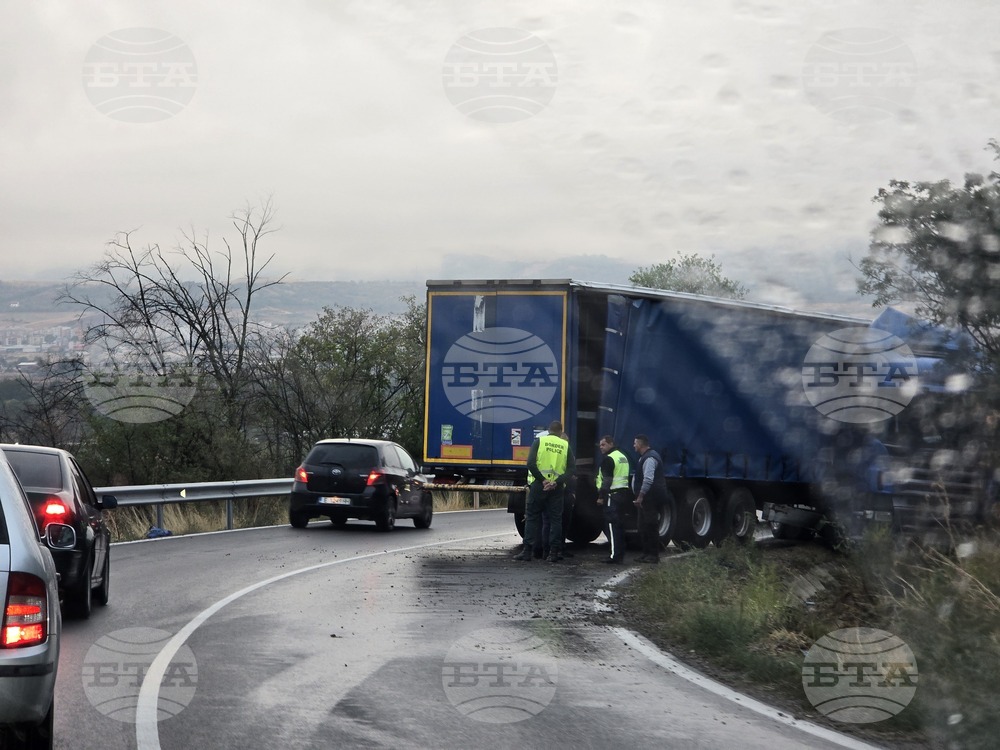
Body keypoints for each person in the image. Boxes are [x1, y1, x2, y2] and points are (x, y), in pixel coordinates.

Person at [514, 420, 574, 563]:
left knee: (532, 517)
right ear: (560, 431)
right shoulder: (566, 446)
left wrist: (542, 480)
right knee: (555, 520)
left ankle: (527, 551)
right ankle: (553, 553)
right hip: (557, 488)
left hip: (539, 486)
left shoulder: (539, 442)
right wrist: (556, 482)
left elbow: (530, 463)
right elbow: (571, 469)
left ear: (549, 430)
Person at [632, 433, 668, 563]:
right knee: (643, 525)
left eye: (635, 443)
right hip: (647, 498)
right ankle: (646, 553)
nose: (634, 445)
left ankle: (653, 555)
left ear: (641, 444)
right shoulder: (644, 457)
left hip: (651, 498)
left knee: (651, 525)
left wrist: (641, 496)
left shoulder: (650, 458)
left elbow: (648, 480)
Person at [596, 435, 631, 564]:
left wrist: (601, 497)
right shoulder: (622, 457)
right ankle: (620, 553)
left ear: (611, 444)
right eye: (600, 445)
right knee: (619, 525)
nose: (601, 447)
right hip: (622, 494)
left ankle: (614, 555)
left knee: (611, 525)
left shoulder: (609, 459)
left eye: (603, 444)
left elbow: (607, 481)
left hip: (612, 495)